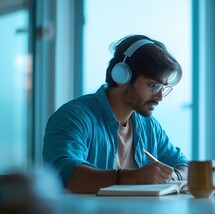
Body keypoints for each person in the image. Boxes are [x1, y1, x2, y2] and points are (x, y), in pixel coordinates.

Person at [43, 34, 188, 193]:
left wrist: (173, 176)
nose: (159, 96)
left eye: (163, 87)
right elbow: (65, 175)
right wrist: (132, 178)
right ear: (122, 75)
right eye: (152, 85)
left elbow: (184, 165)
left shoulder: (149, 126)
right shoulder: (73, 117)